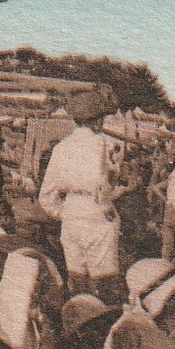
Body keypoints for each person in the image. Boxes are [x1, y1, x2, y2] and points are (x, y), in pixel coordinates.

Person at [37, 119, 122, 303]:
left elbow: (46, 196)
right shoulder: (106, 145)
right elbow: (110, 184)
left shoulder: (61, 148)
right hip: (98, 211)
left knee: (76, 278)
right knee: (103, 283)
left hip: (72, 213)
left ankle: (78, 319)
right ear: (98, 120)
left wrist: (65, 213)